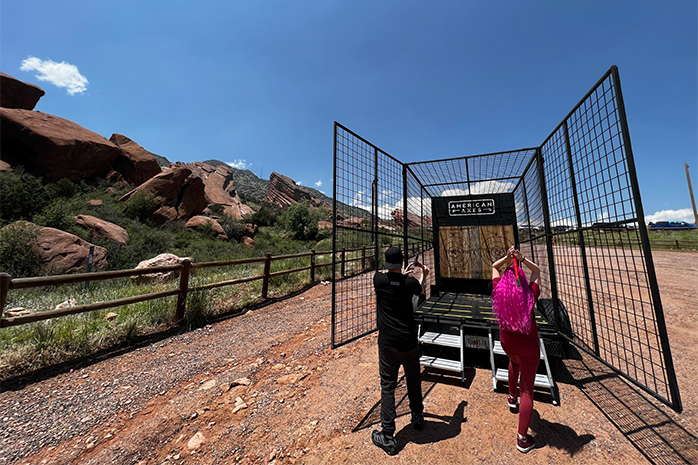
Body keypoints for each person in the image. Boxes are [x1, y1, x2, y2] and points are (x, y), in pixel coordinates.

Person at [371, 246, 430, 455]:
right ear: (402, 263)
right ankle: (417, 416)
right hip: (408, 342)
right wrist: (423, 272)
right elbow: (420, 289)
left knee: (388, 386)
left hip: (387, 344)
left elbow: (388, 278)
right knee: (413, 378)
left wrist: (396, 274)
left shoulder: (379, 280)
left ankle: (388, 435)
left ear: (387, 264)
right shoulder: (410, 283)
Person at [491, 246, 541, 453]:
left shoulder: (498, 293)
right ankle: (522, 438)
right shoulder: (530, 295)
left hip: (507, 343)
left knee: (514, 363)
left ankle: (512, 398)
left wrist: (508, 258)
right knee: (527, 390)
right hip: (529, 346)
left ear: (503, 283)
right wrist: (521, 259)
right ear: (522, 282)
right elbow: (537, 272)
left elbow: (494, 266)